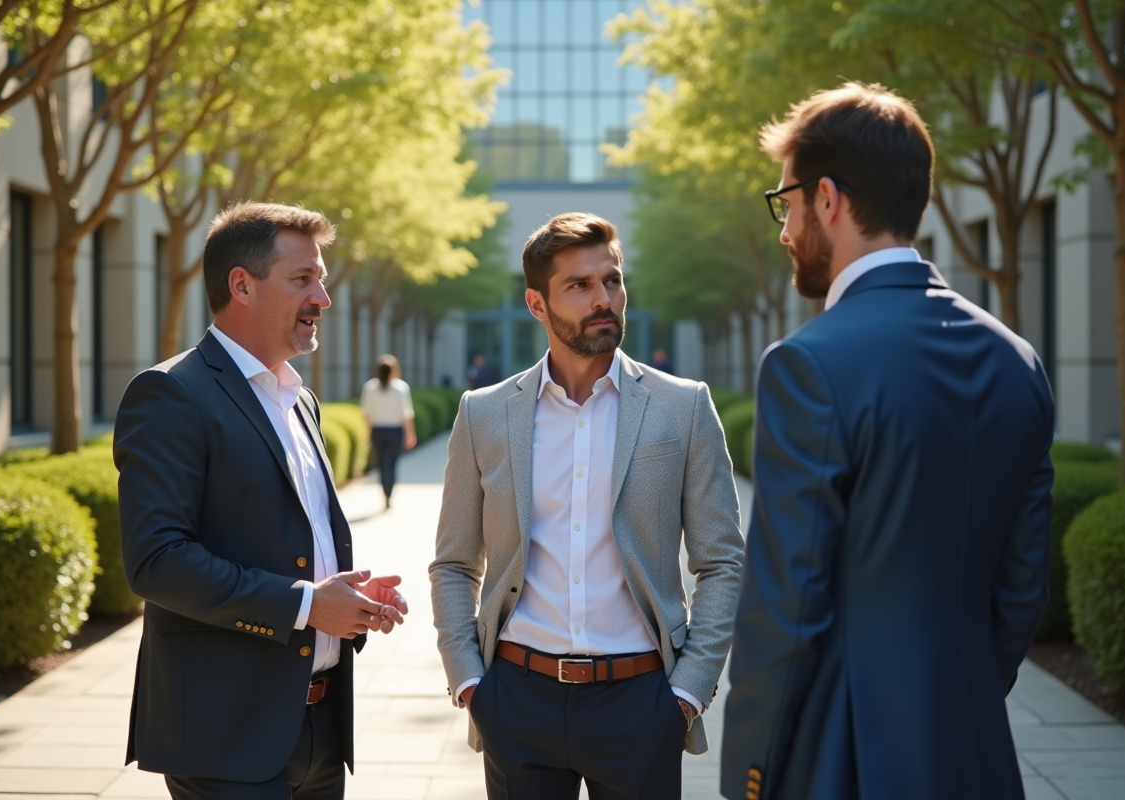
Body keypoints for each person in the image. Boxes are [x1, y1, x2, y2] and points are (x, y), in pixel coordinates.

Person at [720, 83, 1054, 800]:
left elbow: (785, 606)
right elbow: (1023, 584)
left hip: (844, 757)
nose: (783, 229)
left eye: (786, 203)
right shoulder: (1017, 360)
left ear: (829, 199)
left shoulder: (807, 364)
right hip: (975, 747)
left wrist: (749, 772)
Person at [430, 212, 745, 800]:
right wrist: (470, 682)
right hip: (516, 700)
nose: (604, 298)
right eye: (579, 285)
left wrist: (689, 692)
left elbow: (722, 560)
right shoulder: (485, 413)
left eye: (612, 280)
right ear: (536, 304)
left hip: (643, 702)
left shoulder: (684, 407)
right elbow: (453, 563)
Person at [114, 201, 409, 800]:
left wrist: (344, 599)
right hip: (225, 735)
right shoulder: (170, 395)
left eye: (321, 279)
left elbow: (289, 541)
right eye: (303, 279)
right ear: (241, 285)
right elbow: (156, 562)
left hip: (321, 732)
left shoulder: (300, 400)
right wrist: (305, 605)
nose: (323, 297)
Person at [360, 354, 417, 509]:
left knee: (381, 464)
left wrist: (366, 434)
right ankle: (388, 494)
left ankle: (385, 492)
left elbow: (367, 414)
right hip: (395, 431)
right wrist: (411, 433)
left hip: (377, 431)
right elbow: (406, 414)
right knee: (391, 464)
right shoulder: (401, 388)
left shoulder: (369, 387)